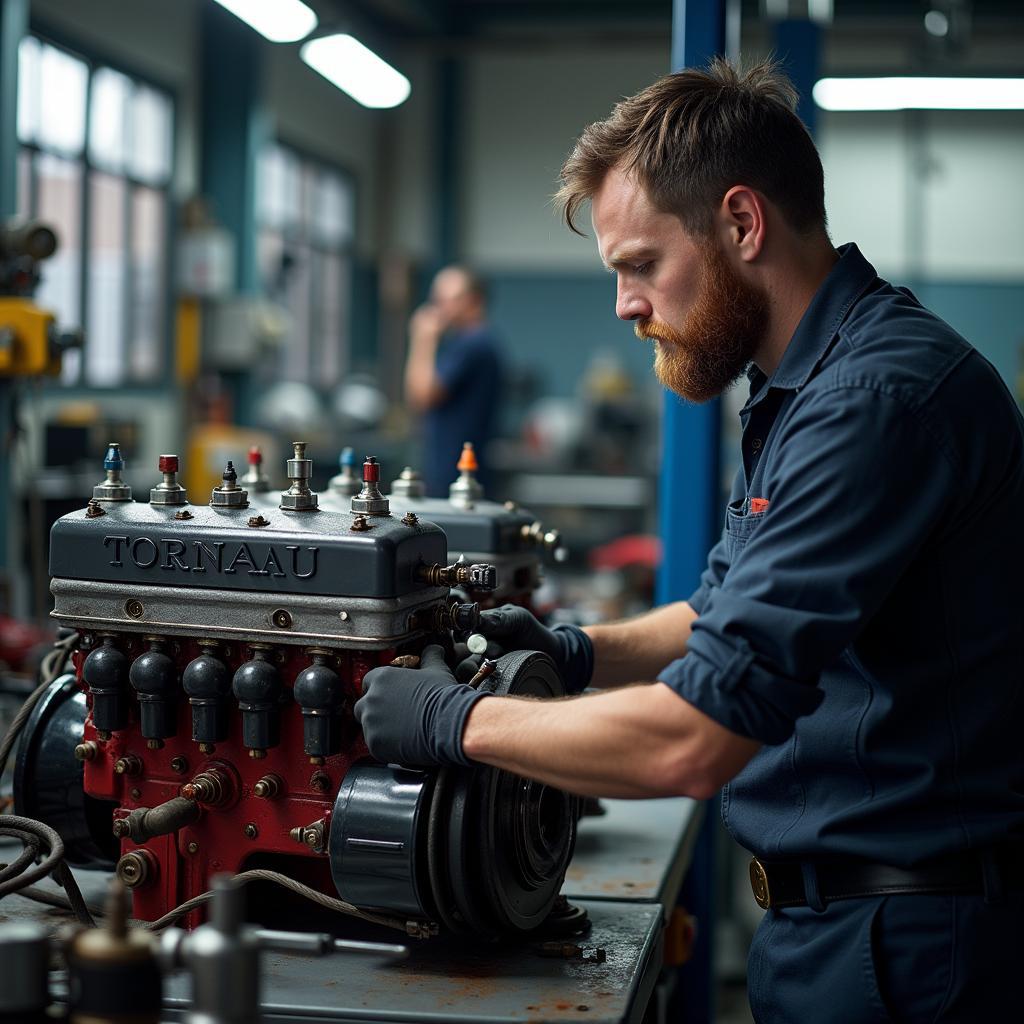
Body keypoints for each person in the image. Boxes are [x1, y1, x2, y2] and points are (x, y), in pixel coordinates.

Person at [358, 59, 1024, 1021]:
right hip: (847, 925)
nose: (627, 306)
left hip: (912, 952)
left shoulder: (872, 404)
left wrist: (452, 723)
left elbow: (694, 744)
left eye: (640, 265)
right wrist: (576, 653)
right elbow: (720, 607)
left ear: (742, 224)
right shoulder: (805, 387)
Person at [403, 264, 503, 495]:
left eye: (447, 299)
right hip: (454, 472)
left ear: (474, 300)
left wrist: (423, 339)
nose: (438, 308)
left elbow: (422, 396)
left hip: (457, 476)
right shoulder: (466, 343)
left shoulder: (473, 345)